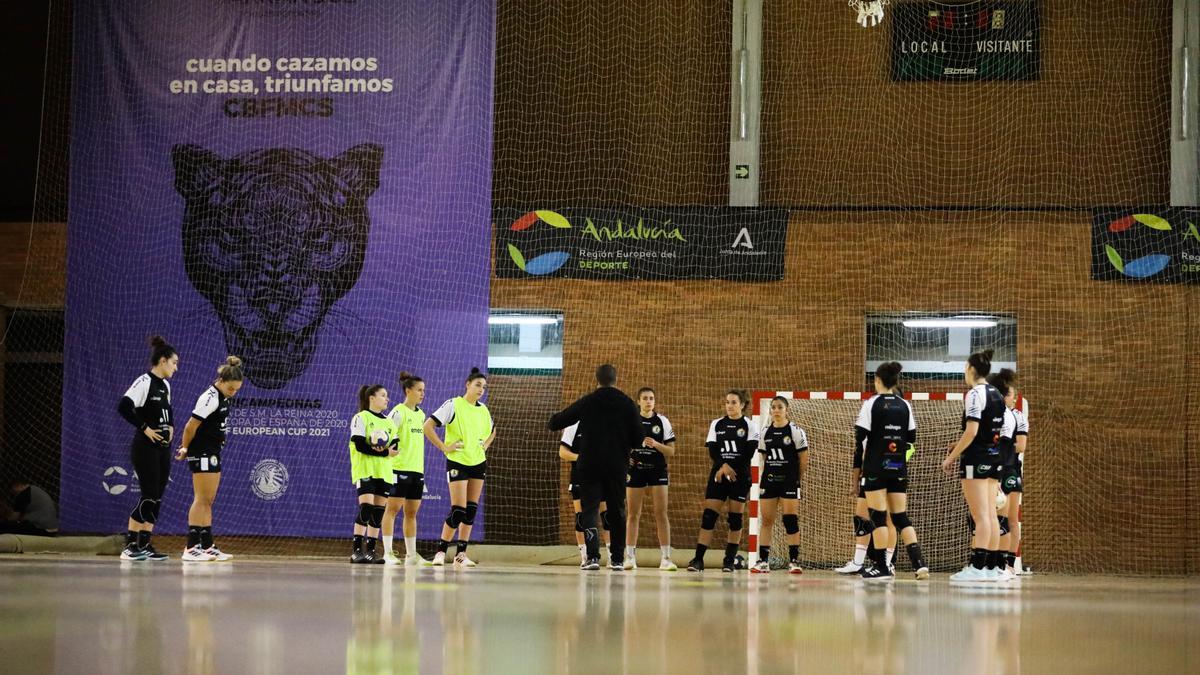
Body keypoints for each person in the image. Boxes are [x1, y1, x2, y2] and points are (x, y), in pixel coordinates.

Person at [548, 364, 643, 571]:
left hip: (590, 464)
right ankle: (617, 559)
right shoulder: (627, 404)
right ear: (615, 379)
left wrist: (554, 417)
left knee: (589, 509)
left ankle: (592, 558)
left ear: (596, 379)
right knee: (617, 510)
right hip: (617, 465)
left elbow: (556, 422)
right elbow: (638, 439)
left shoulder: (588, 401)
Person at [855, 362, 929, 580]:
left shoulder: (871, 404)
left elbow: (860, 436)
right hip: (898, 466)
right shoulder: (905, 405)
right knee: (900, 517)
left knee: (878, 517)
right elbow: (912, 438)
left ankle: (882, 567)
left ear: (877, 380)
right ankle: (919, 563)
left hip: (875, 467)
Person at [943, 349, 1008, 582]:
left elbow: (971, 431)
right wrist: (957, 444)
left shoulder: (974, 394)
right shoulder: (997, 394)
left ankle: (977, 568)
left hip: (976, 461)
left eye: (964, 368)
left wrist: (951, 458)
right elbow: (988, 432)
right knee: (990, 515)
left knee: (981, 517)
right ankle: (991, 568)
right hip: (993, 457)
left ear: (971, 370)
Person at [116, 335, 179, 561]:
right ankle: (130, 544)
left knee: (158, 497)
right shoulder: (144, 382)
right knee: (148, 495)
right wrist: (145, 428)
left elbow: (168, 410)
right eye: (174, 363)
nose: (175, 367)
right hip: (145, 448)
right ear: (162, 361)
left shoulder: (166, 386)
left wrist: (171, 426)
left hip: (163, 448)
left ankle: (145, 543)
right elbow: (124, 406)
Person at [175, 355, 244, 562]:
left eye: (236, 390)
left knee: (208, 500)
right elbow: (190, 426)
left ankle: (207, 545)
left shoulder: (223, 397)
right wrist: (186, 448)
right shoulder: (209, 397)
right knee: (201, 499)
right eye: (231, 389)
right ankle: (191, 547)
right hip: (202, 451)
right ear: (221, 381)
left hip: (212, 451)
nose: (233, 393)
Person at [425, 367, 495, 567]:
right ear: (468, 384)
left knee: (471, 511)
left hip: (478, 462)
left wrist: (485, 445)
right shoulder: (453, 404)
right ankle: (440, 551)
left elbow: (493, 430)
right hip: (457, 462)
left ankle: (461, 555)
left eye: (484, 386)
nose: (481, 389)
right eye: (478, 385)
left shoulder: (483, 409)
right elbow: (427, 426)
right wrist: (444, 447)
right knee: (458, 510)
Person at [689, 389, 760, 573]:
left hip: (740, 476)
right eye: (727, 402)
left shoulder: (750, 425)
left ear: (742, 405)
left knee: (735, 519)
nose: (730, 405)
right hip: (718, 474)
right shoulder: (717, 424)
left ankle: (729, 560)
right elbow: (713, 450)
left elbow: (748, 454)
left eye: (734, 402)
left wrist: (730, 467)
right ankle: (698, 560)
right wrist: (723, 466)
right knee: (708, 516)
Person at [750, 396, 808, 574]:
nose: (776, 410)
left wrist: (795, 477)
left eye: (780, 407)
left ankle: (793, 561)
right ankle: (763, 561)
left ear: (786, 410)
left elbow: (803, 459)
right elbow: (764, 457)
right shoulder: (765, 432)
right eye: (773, 407)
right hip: (769, 480)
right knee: (767, 520)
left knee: (790, 519)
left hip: (789, 481)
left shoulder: (795, 431)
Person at [625, 387, 677, 571]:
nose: (648, 401)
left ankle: (666, 558)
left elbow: (671, 451)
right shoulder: (631, 421)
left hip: (657, 471)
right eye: (645, 398)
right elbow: (621, 445)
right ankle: (630, 557)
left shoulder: (662, 421)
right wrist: (626, 456)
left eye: (651, 398)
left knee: (661, 513)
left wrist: (656, 444)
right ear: (638, 401)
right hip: (636, 470)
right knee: (633, 514)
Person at [383, 371, 430, 566]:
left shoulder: (421, 414)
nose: (422, 394)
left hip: (416, 471)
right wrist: (386, 453)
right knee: (392, 510)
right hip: (398, 469)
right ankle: (387, 553)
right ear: (408, 390)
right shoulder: (397, 412)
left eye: (424, 391)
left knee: (411, 513)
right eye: (419, 390)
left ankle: (411, 556)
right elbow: (384, 436)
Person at [349, 384, 399, 563]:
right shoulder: (360, 418)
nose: (387, 399)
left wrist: (387, 451)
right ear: (372, 398)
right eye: (383, 395)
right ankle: (356, 551)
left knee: (378, 513)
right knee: (366, 507)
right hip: (365, 469)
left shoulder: (389, 423)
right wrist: (383, 452)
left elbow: (395, 446)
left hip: (384, 472)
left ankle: (370, 551)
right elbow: (360, 445)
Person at [989, 369, 1027, 575]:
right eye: (1005, 393)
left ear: (1015, 397)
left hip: (1010, 470)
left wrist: (1001, 447)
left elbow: (1020, 446)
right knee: (990, 517)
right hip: (995, 469)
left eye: (1010, 394)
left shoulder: (1018, 417)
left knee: (1010, 518)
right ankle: (990, 561)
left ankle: (1009, 563)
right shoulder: (994, 414)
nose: (1007, 397)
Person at [558, 423, 611, 566]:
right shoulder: (573, 427)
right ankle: (585, 556)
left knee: (607, 517)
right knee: (581, 518)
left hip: (601, 476)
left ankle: (612, 556)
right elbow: (562, 452)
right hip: (580, 476)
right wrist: (581, 458)